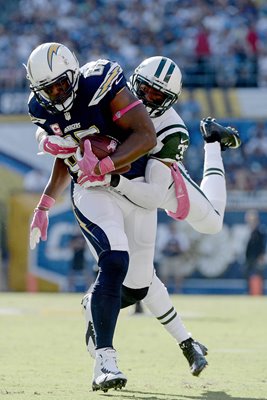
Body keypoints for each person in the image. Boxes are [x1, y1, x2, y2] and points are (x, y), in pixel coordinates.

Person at [80, 57, 240, 377]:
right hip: (117, 188)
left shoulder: (172, 129)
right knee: (139, 277)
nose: (149, 100)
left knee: (212, 222)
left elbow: (153, 195)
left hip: (156, 187)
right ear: (134, 81)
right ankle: (185, 342)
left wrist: (111, 178)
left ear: (169, 101)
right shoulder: (112, 96)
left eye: (158, 97)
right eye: (145, 91)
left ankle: (212, 142)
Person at [26, 42, 157, 393]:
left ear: (73, 74)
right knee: (114, 260)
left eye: (60, 86)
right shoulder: (41, 108)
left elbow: (146, 135)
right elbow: (67, 158)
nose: (55, 95)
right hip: (90, 187)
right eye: (47, 89)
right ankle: (105, 360)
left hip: (132, 179)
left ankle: (94, 305)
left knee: (140, 282)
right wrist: (44, 204)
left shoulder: (100, 81)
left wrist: (106, 163)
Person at [244, 209, 266, 295]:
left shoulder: (260, 230)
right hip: (249, 257)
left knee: (258, 275)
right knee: (247, 275)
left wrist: (261, 256)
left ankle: (258, 292)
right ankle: (250, 291)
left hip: (257, 257)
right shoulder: (249, 230)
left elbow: (262, 244)